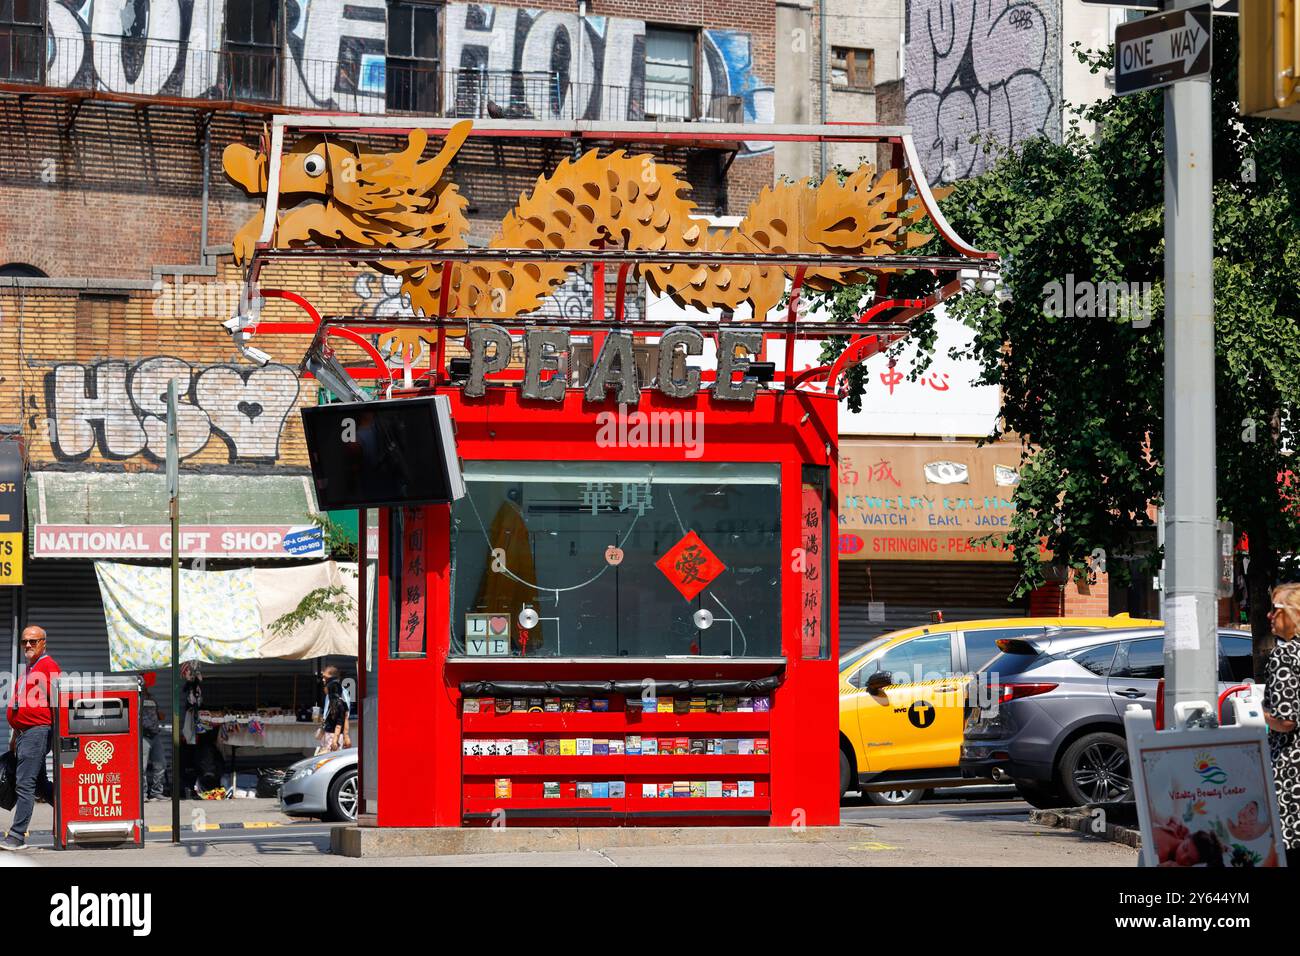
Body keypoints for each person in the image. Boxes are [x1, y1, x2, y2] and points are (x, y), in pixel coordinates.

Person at [2, 625, 62, 851]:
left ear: (43, 643)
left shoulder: (48, 666)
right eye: (25, 641)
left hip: (37, 732)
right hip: (25, 734)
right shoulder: (32, 667)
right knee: (38, 784)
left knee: (24, 784)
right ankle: (70, 810)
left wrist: (56, 738)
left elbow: (57, 703)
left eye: (33, 641)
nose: (28, 645)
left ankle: (16, 836)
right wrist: (15, 734)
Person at [1264, 584, 1300, 859]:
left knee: (1289, 848)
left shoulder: (1284, 655)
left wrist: (1261, 714)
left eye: (1276, 610)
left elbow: (1286, 721)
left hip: (1291, 769)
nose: (1269, 616)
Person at [315, 666, 351, 755]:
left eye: (325, 677)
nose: (323, 680)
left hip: (335, 736)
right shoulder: (329, 695)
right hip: (327, 734)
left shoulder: (341, 693)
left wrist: (346, 736)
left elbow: (345, 717)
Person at [140, 685, 167, 801]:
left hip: (155, 735)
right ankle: (143, 794)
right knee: (142, 767)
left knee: (161, 764)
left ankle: (157, 792)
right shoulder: (136, 698)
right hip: (143, 736)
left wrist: (160, 715)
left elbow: (159, 714)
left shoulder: (152, 698)